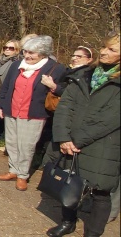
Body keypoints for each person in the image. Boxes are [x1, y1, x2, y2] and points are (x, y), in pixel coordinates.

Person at [46, 32, 120, 237]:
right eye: (104, 47)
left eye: (112, 49)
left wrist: (77, 140)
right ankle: (67, 221)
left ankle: (93, 233)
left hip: (103, 145)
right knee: (70, 182)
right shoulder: (83, 75)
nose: (104, 52)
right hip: (69, 141)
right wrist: (63, 137)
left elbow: (111, 118)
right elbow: (65, 106)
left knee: (100, 193)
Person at [0, 35, 65, 191]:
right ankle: (13, 170)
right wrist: (1, 106)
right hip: (12, 110)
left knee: (26, 145)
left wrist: (53, 85)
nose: (27, 56)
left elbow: (64, 90)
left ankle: (22, 175)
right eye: (26, 52)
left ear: (43, 53)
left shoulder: (56, 68)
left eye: (32, 53)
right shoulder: (17, 65)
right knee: (12, 142)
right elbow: (6, 87)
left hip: (34, 113)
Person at [40, 46, 94, 167]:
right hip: (59, 112)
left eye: (79, 56)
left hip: (71, 115)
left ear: (89, 59)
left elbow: (74, 95)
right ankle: (48, 168)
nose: (75, 58)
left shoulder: (86, 75)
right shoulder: (70, 71)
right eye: (73, 55)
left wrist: (54, 86)